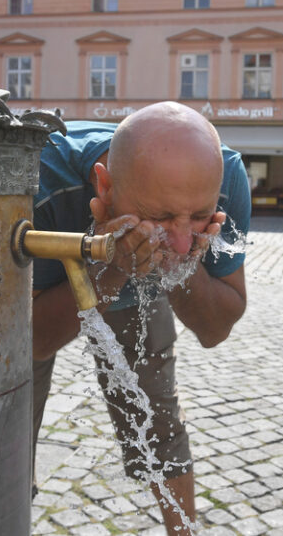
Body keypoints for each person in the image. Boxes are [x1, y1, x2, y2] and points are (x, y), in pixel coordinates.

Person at [31, 102, 250, 536]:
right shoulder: (39, 181)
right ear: (105, 185)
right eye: (163, 217)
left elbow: (215, 328)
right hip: (53, 279)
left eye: (200, 216)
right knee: (10, 418)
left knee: (159, 418)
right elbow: (31, 342)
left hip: (131, 272)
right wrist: (113, 266)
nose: (187, 242)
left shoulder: (224, 176)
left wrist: (172, 267)